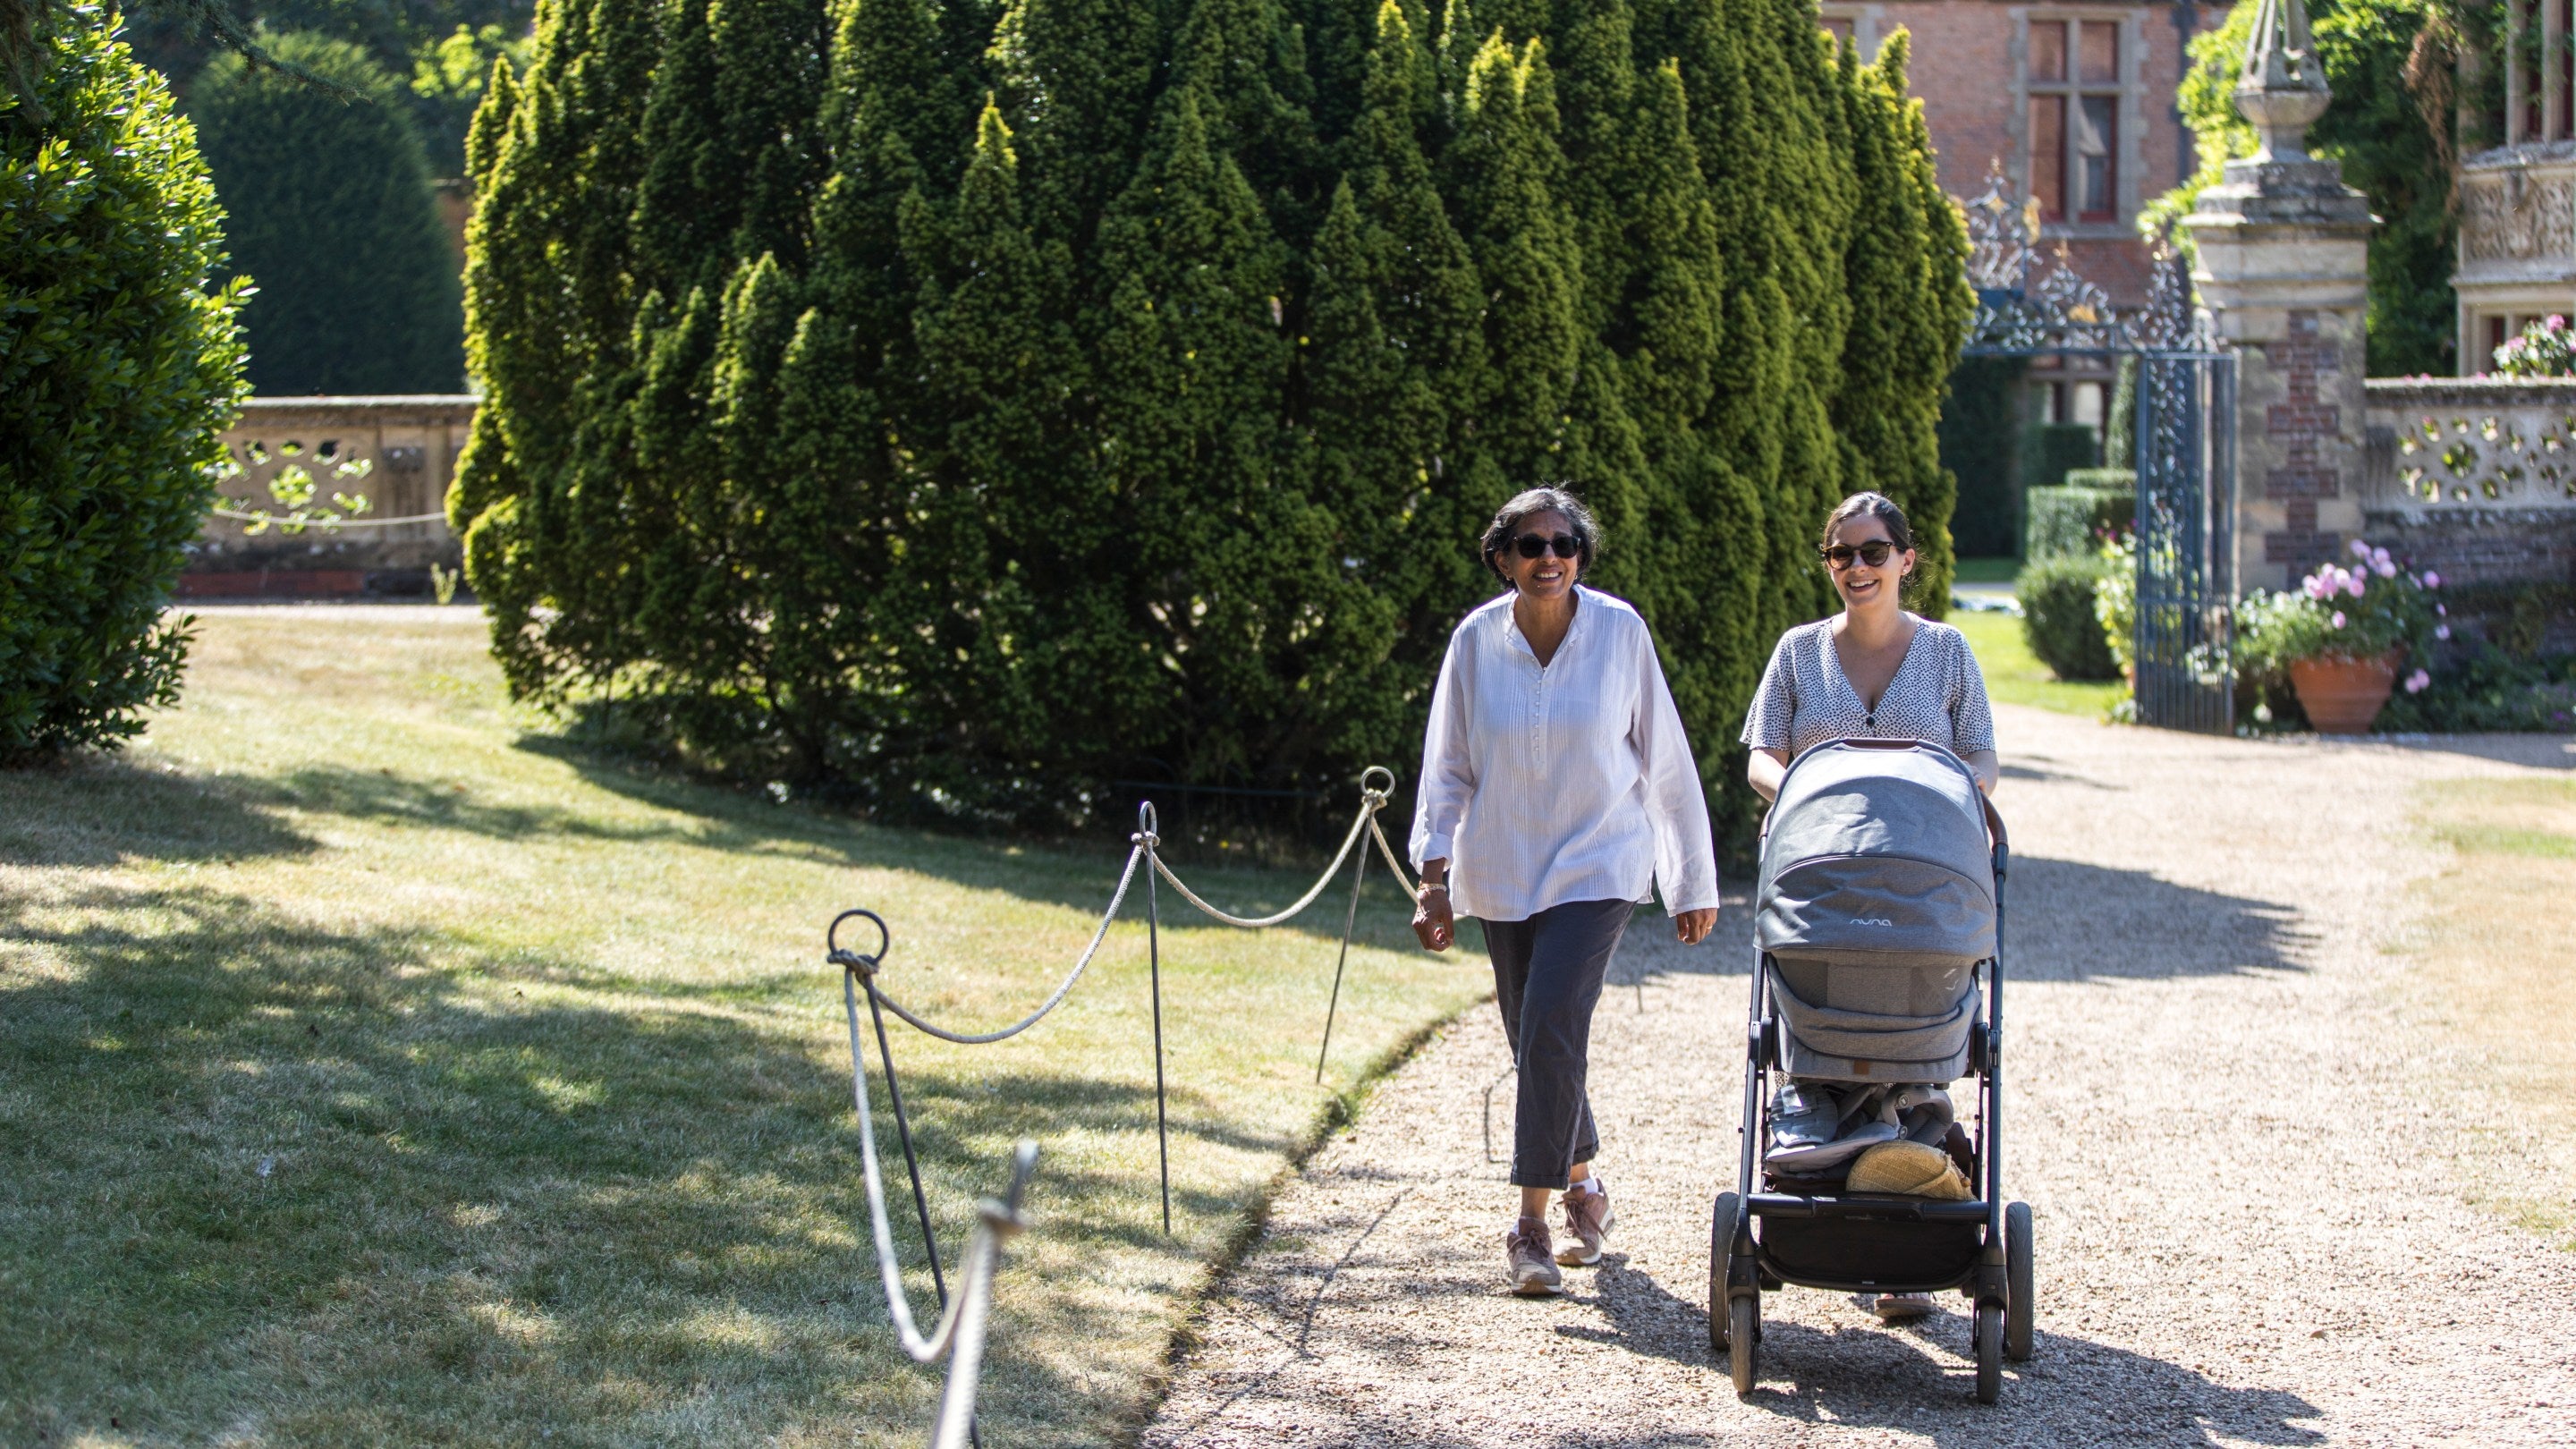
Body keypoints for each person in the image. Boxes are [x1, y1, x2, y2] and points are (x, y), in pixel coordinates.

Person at [1409, 486, 1722, 1297]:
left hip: (1600, 864)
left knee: (1549, 1021)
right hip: (1504, 867)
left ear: (1581, 554)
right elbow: (1448, 766)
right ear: (1503, 557)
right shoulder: (1475, 641)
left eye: (1565, 543)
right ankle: (1585, 1182)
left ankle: (1532, 1226)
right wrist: (1431, 877)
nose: (1550, 557)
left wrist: (1690, 877)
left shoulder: (1621, 632)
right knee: (1533, 1036)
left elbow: (1666, 761)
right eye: (1531, 544)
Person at [1741, 490, 1998, 1325]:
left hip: (1921, 874)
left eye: (1874, 552)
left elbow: (1981, 763)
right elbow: (1762, 757)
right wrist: (1811, 788)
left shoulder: (1949, 651)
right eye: (1841, 555)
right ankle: (1839, 1157)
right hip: (1824, 874)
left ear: (1906, 560)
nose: (1857, 569)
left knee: (1911, 994)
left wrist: (1929, 802)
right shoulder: (1798, 652)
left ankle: (1906, 1208)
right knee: (1825, 991)